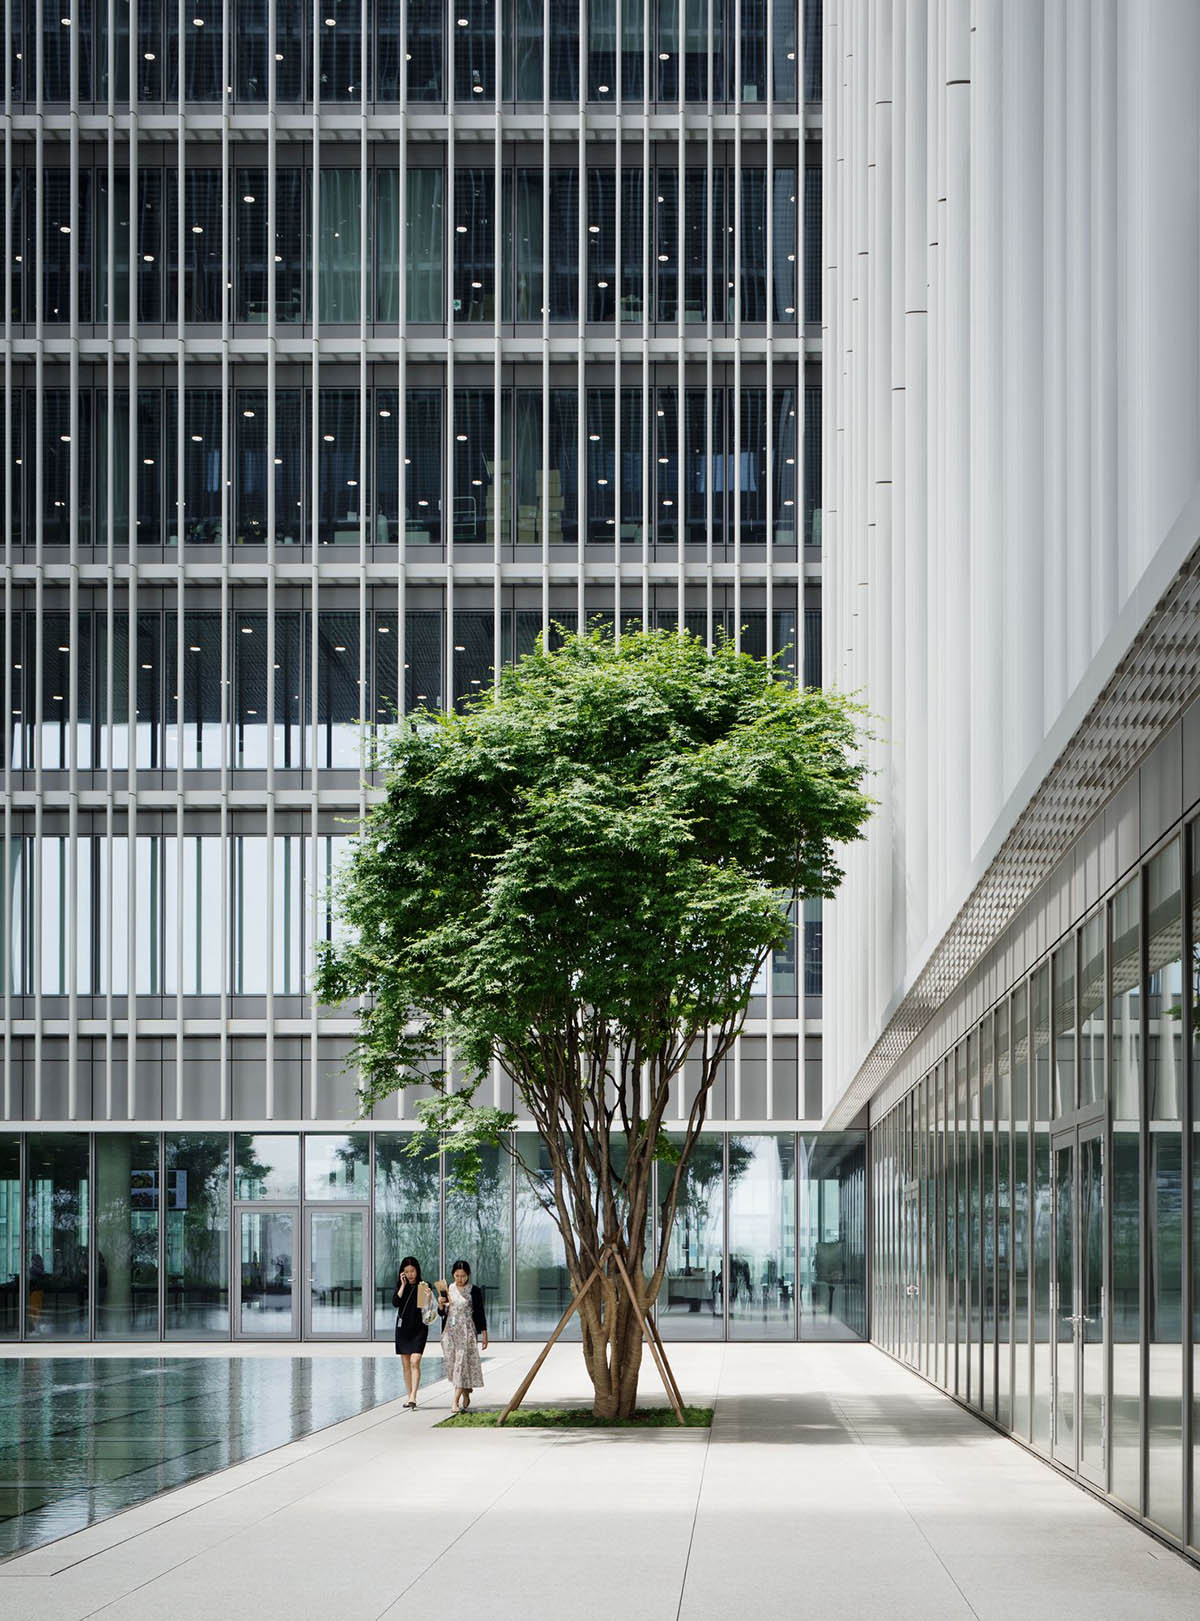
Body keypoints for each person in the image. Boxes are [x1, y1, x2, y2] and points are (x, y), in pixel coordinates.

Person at [439, 1259, 488, 1413]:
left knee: (461, 1364)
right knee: (454, 1365)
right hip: (450, 1332)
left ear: (468, 1275)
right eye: (457, 1275)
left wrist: (484, 1334)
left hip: (466, 1331)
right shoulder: (448, 1289)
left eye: (463, 1276)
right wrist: (440, 1304)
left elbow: (480, 1313)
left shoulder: (474, 1291)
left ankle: (454, 1402)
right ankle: (466, 1390)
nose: (460, 1279)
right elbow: (442, 1313)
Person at [393, 1256, 437, 1409]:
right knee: (406, 1365)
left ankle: (413, 1396)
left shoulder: (423, 1285)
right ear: (402, 1273)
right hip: (403, 1329)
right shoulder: (401, 1286)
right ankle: (409, 1396)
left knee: (415, 1361)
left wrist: (428, 1296)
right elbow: (395, 1303)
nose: (411, 1274)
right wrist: (403, 1286)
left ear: (417, 1270)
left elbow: (425, 1309)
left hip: (419, 1329)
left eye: (412, 1271)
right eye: (407, 1272)